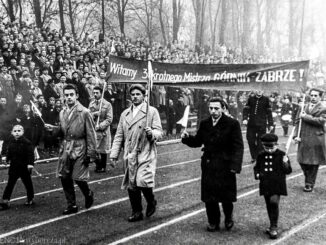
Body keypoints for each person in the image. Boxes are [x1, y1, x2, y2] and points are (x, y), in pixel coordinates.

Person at [181, 97, 244, 232]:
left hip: (225, 165)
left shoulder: (232, 124)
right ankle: (213, 221)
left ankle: (228, 217)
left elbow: (238, 146)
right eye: (211, 108)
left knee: (226, 196)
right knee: (209, 196)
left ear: (223, 108)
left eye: (216, 108)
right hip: (209, 164)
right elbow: (198, 141)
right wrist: (187, 138)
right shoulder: (205, 123)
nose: (213, 111)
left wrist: (235, 166)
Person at [110, 84, 163, 222]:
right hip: (130, 153)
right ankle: (137, 211)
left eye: (138, 94)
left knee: (142, 180)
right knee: (131, 183)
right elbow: (119, 135)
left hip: (146, 151)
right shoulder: (125, 114)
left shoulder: (151, 112)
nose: (135, 97)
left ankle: (151, 200)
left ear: (144, 95)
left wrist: (152, 133)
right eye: (132, 94)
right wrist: (114, 154)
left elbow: (159, 132)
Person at [45, 84, 97, 215]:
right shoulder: (62, 112)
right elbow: (63, 131)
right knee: (64, 176)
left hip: (80, 147)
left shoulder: (84, 112)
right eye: (66, 95)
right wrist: (53, 129)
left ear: (77, 96)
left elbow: (91, 134)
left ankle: (88, 193)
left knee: (78, 177)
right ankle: (71, 204)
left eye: (71, 94)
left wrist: (90, 154)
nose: (69, 97)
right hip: (66, 148)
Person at [254, 133, 292, 239]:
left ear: (276, 145)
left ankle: (274, 226)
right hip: (265, 184)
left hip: (277, 183)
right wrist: (257, 174)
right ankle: (272, 224)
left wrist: (285, 163)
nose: (269, 150)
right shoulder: (261, 155)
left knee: (274, 202)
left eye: (272, 147)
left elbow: (288, 171)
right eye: (267, 148)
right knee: (268, 204)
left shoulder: (282, 155)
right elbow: (256, 167)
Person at [294, 88, 326, 192]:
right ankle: (309, 178)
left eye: (316, 96)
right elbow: (297, 121)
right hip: (303, 137)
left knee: (313, 162)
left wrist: (305, 116)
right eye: (311, 95)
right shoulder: (303, 106)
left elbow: (321, 121)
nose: (313, 97)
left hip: (316, 138)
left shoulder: (323, 108)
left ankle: (309, 183)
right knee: (301, 160)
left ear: (320, 97)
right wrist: (295, 135)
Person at [0, 124, 35, 210]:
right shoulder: (11, 142)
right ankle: (5, 201)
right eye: (15, 131)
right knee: (10, 184)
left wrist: (30, 164)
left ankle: (30, 198)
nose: (17, 133)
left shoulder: (27, 142)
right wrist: (7, 159)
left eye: (19, 131)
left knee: (28, 183)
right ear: (12, 132)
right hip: (14, 167)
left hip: (24, 167)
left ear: (22, 132)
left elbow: (30, 154)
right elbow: (10, 153)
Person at [243, 90, 274, 164]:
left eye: (261, 90)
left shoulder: (266, 99)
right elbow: (246, 109)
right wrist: (244, 118)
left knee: (260, 142)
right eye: (258, 90)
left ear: (263, 91)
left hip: (262, 124)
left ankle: (258, 156)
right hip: (251, 124)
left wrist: (270, 123)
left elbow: (269, 112)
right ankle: (253, 156)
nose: (259, 91)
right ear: (255, 90)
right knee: (250, 140)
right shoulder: (250, 99)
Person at [89, 85, 113, 173]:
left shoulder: (107, 104)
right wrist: (94, 114)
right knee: (93, 148)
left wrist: (100, 126)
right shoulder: (91, 103)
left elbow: (109, 119)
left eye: (97, 93)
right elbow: (88, 115)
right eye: (94, 93)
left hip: (103, 130)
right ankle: (97, 164)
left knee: (103, 149)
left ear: (101, 93)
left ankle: (102, 166)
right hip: (93, 129)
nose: (95, 94)